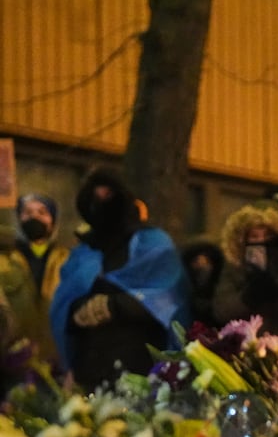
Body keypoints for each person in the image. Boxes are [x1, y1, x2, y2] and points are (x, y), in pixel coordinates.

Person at [50, 166, 191, 391]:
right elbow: (63, 305)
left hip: (142, 370)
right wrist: (78, 311)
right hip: (91, 372)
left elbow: (169, 299)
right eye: (94, 196)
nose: (101, 202)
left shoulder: (153, 244)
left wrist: (114, 306)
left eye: (108, 194)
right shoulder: (83, 253)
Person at [212, 203, 278, 347]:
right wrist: (248, 297)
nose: (261, 241)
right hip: (244, 346)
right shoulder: (235, 265)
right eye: (254, 236)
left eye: (268, 235)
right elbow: (221, 310)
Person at [1, 191, 72, 375]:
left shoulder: (69, 260)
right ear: (18, 219)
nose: (34, 217)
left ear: (53, 221)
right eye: (27, 212)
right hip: (13, 363)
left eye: (42, 212)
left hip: (59, 363)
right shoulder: (4, 262)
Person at [181, 240, 225, 328]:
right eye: (196, 262)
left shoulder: (223, 287)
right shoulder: (185, 291)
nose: (202, 266)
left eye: (207, 262)